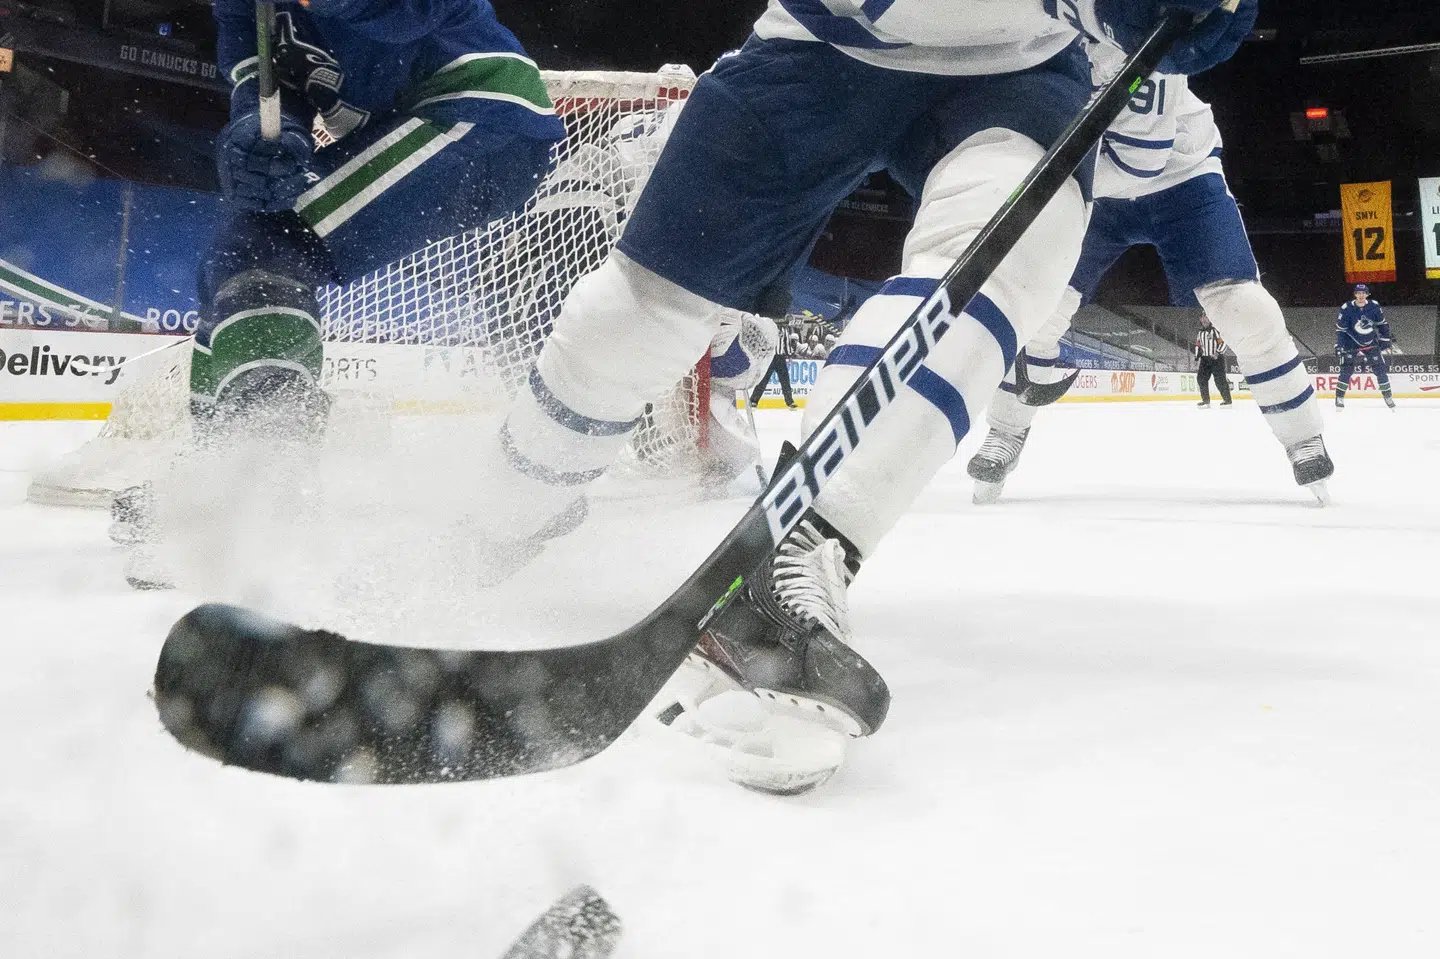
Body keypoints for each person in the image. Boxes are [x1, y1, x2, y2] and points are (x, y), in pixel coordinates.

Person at [467, 1, 1256, 747]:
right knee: (634, 317)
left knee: (1012, 251)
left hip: (1019, 70)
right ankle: (497, 516)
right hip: (818, 44)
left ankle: (804, 545)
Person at [968, 42, 1330, 505]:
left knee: (1243, 307)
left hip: (1178, 174)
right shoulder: (1037, 31)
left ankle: (1302, 437)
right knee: (1040, 307)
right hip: (1092, 179)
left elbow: (1144, 157)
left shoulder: (1135, 31)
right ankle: (1004, 433)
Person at [192, 0, 563, 433]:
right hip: (427, 128)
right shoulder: (241, 9)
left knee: (266, 244)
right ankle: (211, 469)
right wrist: (264, 133)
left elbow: (408, 16)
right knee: (232, 257)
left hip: (484, 118)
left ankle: (267, 460)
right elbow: (264, 89)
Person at [1334, 283, 1395, 410]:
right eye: (1358, 293)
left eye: (1363, 293)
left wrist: (1385, 338)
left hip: (1371, 342)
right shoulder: (1346, 308)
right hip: (1351, 342)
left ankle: (1388, 396)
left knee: (1380, 369)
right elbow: (1341, 330)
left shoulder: (1374, 306)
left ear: (1367, 294)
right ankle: (1339, 397)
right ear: (1355, 294)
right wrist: (1339, 346)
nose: (1361, 295)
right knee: (1346, 369)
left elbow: (1382, 324)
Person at [750, 316, 799, 410]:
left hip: (780, 357)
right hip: (770, 357)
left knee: (785, 380)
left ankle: (790, 402)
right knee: (763, 379)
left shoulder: (785, 330)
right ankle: (754, 400)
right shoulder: (768, 328)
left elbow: (786, 343)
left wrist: (789, 355)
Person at [1194, 314, 1231, 407]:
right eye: (1202, 317)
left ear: (1210, 318)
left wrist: (1217, 353)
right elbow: (1198, 345)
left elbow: (1223, 342)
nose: (1204, 319)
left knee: (1219, 380)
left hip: (1216, 359)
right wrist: (1197, 356)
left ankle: (1227, 400)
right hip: (1205, 359)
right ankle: (1206, 401)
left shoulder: (1215, 330)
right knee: (1201, 379)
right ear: (1200, 319)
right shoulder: (1200, 333)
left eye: (1206, 317)